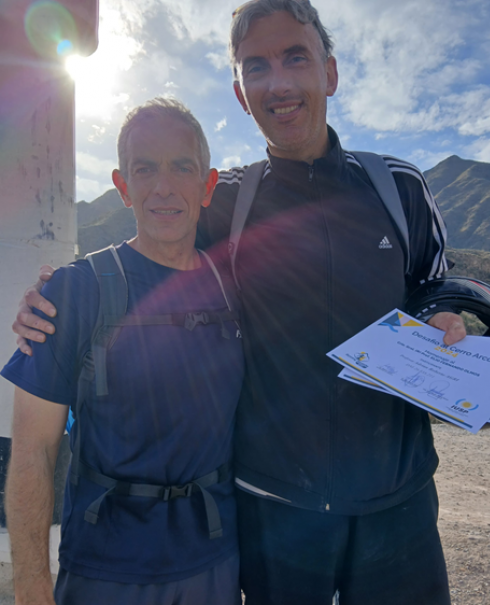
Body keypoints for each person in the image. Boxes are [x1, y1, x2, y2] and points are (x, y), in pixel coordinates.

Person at [12, 1, 465, 602]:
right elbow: (146, 239)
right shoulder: (223, 199)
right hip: (273, 511)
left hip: (397, 505)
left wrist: (450, 318)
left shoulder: (398, 185)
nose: (277, 82)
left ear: (329, 73)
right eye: (256, 67)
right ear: (240, 93)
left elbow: (438, 285)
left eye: (294, 57)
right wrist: (54, 290)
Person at [2, 99, 243, 604]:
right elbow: (32, 452)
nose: (163, 186)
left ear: (207, 184)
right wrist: (31, 589)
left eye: (182, 166)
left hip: (214, 563)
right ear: (122, 185)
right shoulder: (74, 291)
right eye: (145, 168)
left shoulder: (234, 289)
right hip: (104, 570)